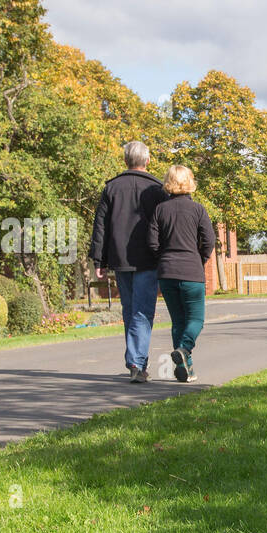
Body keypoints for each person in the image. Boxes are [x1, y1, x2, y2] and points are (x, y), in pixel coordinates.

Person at [87, 141, 167, 383]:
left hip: (120, 258)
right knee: (142, 312)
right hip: (148, 259)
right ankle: (136, 361)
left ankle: (137, 361)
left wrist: (98, 260)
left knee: (131, 310)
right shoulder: (157, 189)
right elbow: (164, 225)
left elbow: (100, 226)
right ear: (148, 160)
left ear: (125, 161)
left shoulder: (111, 188)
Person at [149, 164, 215, 383]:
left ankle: (186, 369)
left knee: (178, 321)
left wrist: (164, 259)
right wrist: (201, 258)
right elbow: (209, 240)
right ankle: (185, 350)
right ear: (190, 182)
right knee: (196, 319)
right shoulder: (198, 210)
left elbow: (152, 243)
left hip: (167, 273)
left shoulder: (159, 210)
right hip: (191, 271)